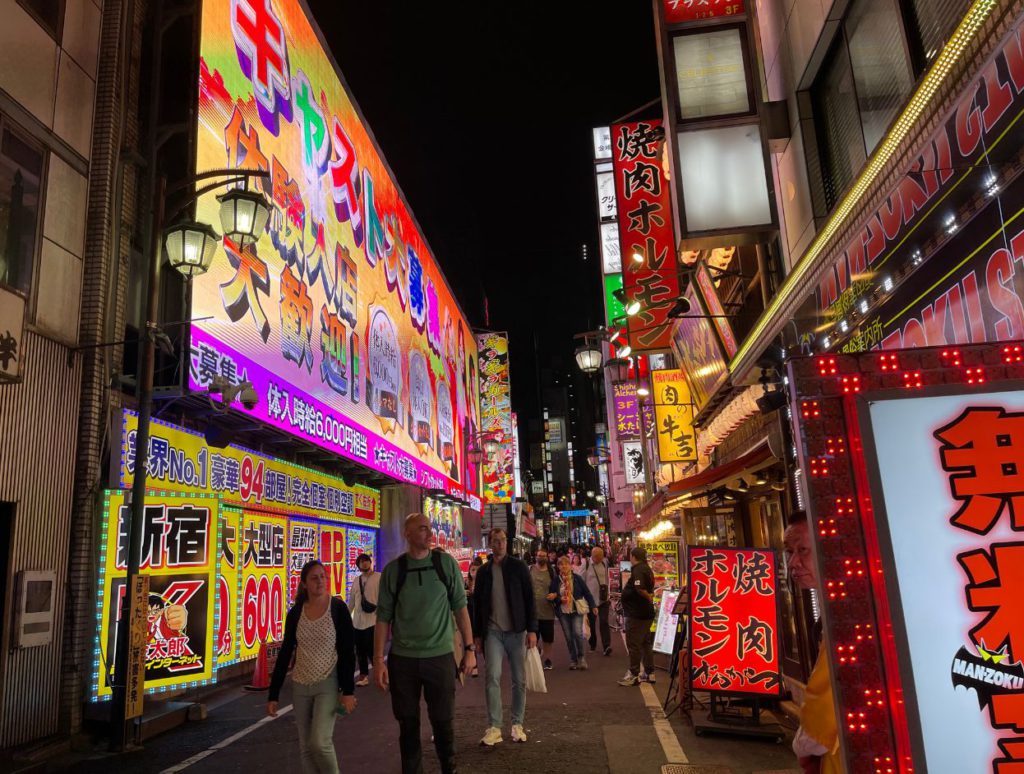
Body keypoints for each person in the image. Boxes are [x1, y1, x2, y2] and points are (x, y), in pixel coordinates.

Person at [374, 513, 475, 774]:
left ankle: (448, 768)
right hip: (403, 660)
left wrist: (470, 650)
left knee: (443, 723)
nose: (429, 533)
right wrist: (378, 661)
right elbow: (383, 617)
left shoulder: (445, 564)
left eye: (429, 528)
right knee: (407, 725)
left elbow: (461, 608)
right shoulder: (394, 571)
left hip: (440, 656)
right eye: (421, 529)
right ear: (407, 534)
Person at [268, 560, 357, 774]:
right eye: (314, 578)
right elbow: (286, 652)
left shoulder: (337, 608)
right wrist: (273, 694)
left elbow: (347, 651)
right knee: (306, 747)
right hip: (300, 684)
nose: (320, 581)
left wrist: (348, 691)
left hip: (328, 682)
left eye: (323, 576)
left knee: (320, 742)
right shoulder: (296, 613)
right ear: (304, 584)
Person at [785, 511, 840, 774]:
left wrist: (803, 745)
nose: (793, 562)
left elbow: (824, 711)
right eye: (790, 552)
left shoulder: (848, 616)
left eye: (803, 550)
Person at [472, 528, 538, 745]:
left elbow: (530, 599)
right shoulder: (483, 572)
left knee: (519, 679)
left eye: (502, 540)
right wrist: (477, 635)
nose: (499, 544)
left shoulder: (518, 567)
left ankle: (517, 724)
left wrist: (532, 630)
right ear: (490, 544)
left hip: (517, 631)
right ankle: (494, 727)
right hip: (492, 632)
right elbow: (477, 605)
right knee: (492, 676)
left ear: (506, 543)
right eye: (495, 541)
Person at [618, 546, 656, 686]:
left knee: (633, 644)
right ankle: (649, 672)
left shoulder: (639, 569)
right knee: (645, 642)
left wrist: (648, 596)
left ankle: (634, 674)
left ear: (633, 557)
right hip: (644, 613)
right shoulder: (646, 568)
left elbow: (639, 588)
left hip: (637, 614)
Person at [554, 555, 596, 670]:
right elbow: (552, 595)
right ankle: (573, 659)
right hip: (563, 612)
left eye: (566, 564)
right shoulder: (556, 580)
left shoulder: (577, 578)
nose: (564, 566)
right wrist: (559, 599)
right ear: (558, 567)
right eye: (561, 564)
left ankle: (581, 657)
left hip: (576, 609)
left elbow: (587, 593)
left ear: (570, 566)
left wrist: (593, 606)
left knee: (577, 633)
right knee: (568, 636)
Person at [346, 553, 379, 687]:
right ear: (358, 566)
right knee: (360, 651)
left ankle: (380, 673)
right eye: (361, 562)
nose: (364, 563)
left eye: (366, 561)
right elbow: (352, 601)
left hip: (373, 620)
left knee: (372, 650)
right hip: (358, 622)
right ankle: (363, 675)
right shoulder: (356, 580)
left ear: (370, 562)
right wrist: (346, 616)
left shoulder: (379, 577)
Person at [530, 547, 558, 670]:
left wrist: (555, 594)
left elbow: (558, 587)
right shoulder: (529, 569)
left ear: (547, 558)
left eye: (543, 556)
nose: (541, 558)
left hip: (547, 610)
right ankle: (535, 658)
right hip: (532, 611)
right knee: (532, 638)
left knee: (548, 638)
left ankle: (547, 659)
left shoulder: (552, 572)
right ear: (535, 556)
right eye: (539, 555)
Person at [582, 546, 613, 656]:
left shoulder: (604, 563)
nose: (600, 559)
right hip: (591, 600)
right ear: (593, 556)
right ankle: (593, 644)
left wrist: (608, 591)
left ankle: (606, 646)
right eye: (598, 557)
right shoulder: (585, 564)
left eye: (602, 557)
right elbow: (581, 582)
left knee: (604, 622)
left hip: (603, 599)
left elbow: (606, 578)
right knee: (592, 624)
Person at [465, 555, 484, 677]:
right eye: (472, 570)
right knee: (471, 639)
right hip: (470, 615)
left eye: (477, 570)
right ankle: (475, 664)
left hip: (481, 616)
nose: (474, 572)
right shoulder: (466, 583)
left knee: (482, 639)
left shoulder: (484, 583)